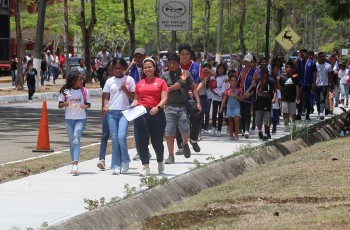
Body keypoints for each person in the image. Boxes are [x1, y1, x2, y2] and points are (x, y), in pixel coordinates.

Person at [129, 57, 168, 176]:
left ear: (154, 68)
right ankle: (145, 166)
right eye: (145, 67)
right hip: (141, 113)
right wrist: (133, 105)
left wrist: (158, 107)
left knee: (157, 142)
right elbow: (136, 99)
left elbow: (165, 98)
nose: (147, 69)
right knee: (142, 140)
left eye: (150, 67)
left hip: (157, 113)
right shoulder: (140, 83)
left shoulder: (161, 82)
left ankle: (160, 160)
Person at [161, 53, 200, 164]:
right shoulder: (165, 75)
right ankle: (170, 155)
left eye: (174, 63)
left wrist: (198, 103)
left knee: (185, 128)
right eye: (169, 63)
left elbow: (193, 88)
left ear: (178, 63)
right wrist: (173, 88)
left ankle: (185, 144)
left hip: (182, 106)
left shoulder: (184, 74)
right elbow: (162, 91)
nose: (171, 65)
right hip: (169, 107)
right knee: (169, 132)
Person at [102, 58, 135, 175]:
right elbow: (106, 96)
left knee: (121, 137)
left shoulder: (129, 80)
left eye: (120, 67)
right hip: (111, 113)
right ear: (112, 69)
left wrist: (125, 89)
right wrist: (105, 105)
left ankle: (125, 160)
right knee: (115, 139)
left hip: (124, 113)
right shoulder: (109, 81)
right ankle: (116, 165)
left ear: (124, 68)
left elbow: (134, 97)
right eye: (115, 68)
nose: (118, 70)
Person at [58, 71, 91, 175]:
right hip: (69, 119)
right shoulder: (65, 91)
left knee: (76, 139)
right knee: (72, 140)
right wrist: (65, 103)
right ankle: (73, 163)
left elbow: (88, 104)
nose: (82, 81)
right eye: (79, 79)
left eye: (82, 79)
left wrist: (85, 106)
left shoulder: (84, 91)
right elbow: (59, 105)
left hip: (81, 119)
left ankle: (76, 164)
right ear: (73, 80)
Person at [125, 47, 151, 161]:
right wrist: (131, 65)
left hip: (148, 99)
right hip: (135, 100)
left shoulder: (149, 67)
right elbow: (123, 77)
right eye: (136, 55)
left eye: (140, 55)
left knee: (147, 127)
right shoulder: (133, 68)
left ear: (145, 56)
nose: (138, 58)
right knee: (137, 127)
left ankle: (146, 149)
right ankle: (139, 151)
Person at [177, 44, 203, 152]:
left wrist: (195, 91)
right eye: (182, 54)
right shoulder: (175, 66)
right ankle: (181, 145)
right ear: (179, 55)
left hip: (193, 97)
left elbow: (202, 81)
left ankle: (193, 139)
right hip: (179, 98)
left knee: (197, 116)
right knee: (179, 120)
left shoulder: (196, 66)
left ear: (190, 55)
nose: (184, 56)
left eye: (187, 54)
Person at [237, 53, 259, 138]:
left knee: (247, 111)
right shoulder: (241, 70)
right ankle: (242, 129)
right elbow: (238, 82)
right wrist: (239, 91)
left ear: (251, 62)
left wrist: (249, 93)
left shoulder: (254, 72)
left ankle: (246, 129)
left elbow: (255, 85)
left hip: (249, 94)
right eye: (245, 61)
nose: (246, 63)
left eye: (248, 62)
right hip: (241, 93)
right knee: (242, 111)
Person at [96, 61, 113, 170]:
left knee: (118, 136)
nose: (114, 70)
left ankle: (120, 158)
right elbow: (104, 95)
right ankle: (101, 159)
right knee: (105, 135)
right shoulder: (106, 81)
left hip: (119, 111)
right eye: (111, 69)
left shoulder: (124, 79)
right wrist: (103, 108)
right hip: (108, 110)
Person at [277, 61, 300, 131]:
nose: (288, 69)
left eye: (290, 67)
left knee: (292, 112)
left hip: (292, 98)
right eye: (287, 67)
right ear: (285, 68)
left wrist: (297, 96)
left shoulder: (295, 77)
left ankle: (293, 124)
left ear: (293, 69)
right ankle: (286, 124)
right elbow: (279, 88)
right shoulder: (282, 78)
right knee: (285, 112)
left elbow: (297, 87)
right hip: (284, 97)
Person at [254, 67, 276, 140]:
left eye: (266, 75)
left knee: (266, 120)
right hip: (258, 104)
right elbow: (254, 93)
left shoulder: (271, 81)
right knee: (258, 121)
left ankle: (266, 134)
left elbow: (274, 91)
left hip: (267, 104)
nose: (265, 78)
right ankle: (260, 131)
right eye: (263, 75)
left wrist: (273, 98)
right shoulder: (257, 82)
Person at [220, 75, 242, 140]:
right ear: (229, 82)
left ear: (237, 82)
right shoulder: (227, 90)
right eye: (231, 80)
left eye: (235, 80)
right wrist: (221, 108)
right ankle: (231, 134)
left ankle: (236, 134)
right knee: (230, 120)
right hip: (229, 106)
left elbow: (241, 99)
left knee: (237, 119)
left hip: (236, 106)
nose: (233, 82)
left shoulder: (239, 90)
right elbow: (224, 99)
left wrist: (234, 95)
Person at [210, 63, 228, 137]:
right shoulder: (214, 76)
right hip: (215, 97)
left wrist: (223, 94)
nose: (220, 70)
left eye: (222, 69)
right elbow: (210, 86)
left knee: (220, 113)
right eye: (219, 68)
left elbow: (226, 87)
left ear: (224, 70)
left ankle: (219, 129)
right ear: (217, 69)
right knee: (214, 113)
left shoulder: (225, 77)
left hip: (222, 99)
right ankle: (214, 127)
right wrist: (214, 92)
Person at [313, 52, 332, 120]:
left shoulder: (328, 66)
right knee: (317, 100)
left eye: (323, 56)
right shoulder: (315, 65)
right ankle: (318, 112)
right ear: (317, 58)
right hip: (316, 85)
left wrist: (330, 85)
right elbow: (313, 75)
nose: (322, 58)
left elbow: (330, 76)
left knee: (322, 99)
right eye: (320, 56)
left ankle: (321, 112)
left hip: (324, 85)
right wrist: (313, 84)